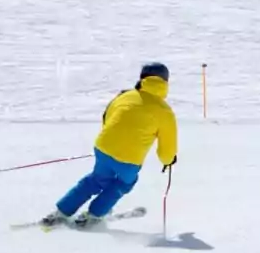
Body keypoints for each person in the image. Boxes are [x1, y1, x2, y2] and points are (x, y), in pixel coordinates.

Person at [43, 62, 178, 226]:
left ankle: (62, 211)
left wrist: (111, 141)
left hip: (103, 147)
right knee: (124, 183)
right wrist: (168, 160)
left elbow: (108, 116)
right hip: (129, 160)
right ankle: (95, 214)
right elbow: (167, 150)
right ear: (165, 82)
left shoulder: (126, 95)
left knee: (96, 180)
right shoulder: (165, 112)